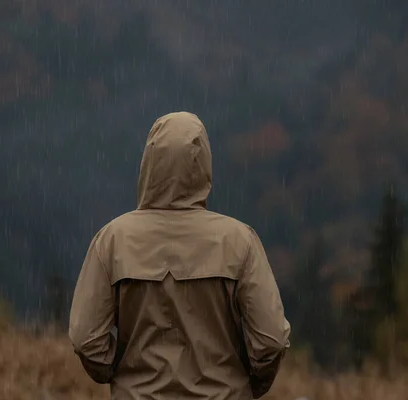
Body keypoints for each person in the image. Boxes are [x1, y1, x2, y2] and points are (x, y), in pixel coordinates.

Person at [69, 111, 291, 399]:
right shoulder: (239, 240)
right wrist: (247, 384)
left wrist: (123, 375)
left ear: (149, 162)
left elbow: (86, 340)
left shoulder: (111, 240)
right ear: (204, 164)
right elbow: (271, 340)